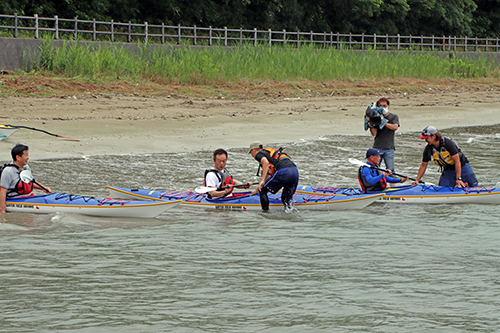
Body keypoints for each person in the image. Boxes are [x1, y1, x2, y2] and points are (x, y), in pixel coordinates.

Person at [412, 126, 478, 187]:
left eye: (427, 138)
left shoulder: (448, 143)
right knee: (442, 187)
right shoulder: (429, 148)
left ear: (434, 136)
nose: (425, 140)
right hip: (448, 170)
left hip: (462, 166)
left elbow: (457, 161)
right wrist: (417, 180)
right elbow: (424, 165)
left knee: (472, 185)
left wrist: (458, 178)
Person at [248, 141, 299, 211]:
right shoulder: (269, 153)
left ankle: (265, 213)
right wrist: (257, 190)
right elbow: (268, 176)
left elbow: (265, 163)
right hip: (295, 171)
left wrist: (262, 181)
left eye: (251, 153)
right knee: (285, 198)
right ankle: (288, 213)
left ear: (253, 150)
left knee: (263, 190)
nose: (252, 155)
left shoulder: (259, 154)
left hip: (284, 171)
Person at [0, 144, 51, 214]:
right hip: (14, 199)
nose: (28, 157)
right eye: (26, 155)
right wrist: (2, 212)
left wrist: (44, 188)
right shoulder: (8, 171)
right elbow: (3, 192)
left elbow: (31, 182)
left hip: (27, 198)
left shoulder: (26, 167)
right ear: (18, 157)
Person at [368, 97, 400, 171]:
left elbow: (395, 127)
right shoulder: (376, 117)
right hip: (377, 147)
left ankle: (393, 182)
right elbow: (374, 133)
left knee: (390, 170)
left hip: (389, 148)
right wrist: (371, 124)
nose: (383, 108)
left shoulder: (393, 117)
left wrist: (383, 122)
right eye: (380, 106)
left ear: (388, 106)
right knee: (375, 169)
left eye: (384, 106)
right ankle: (375, 182)